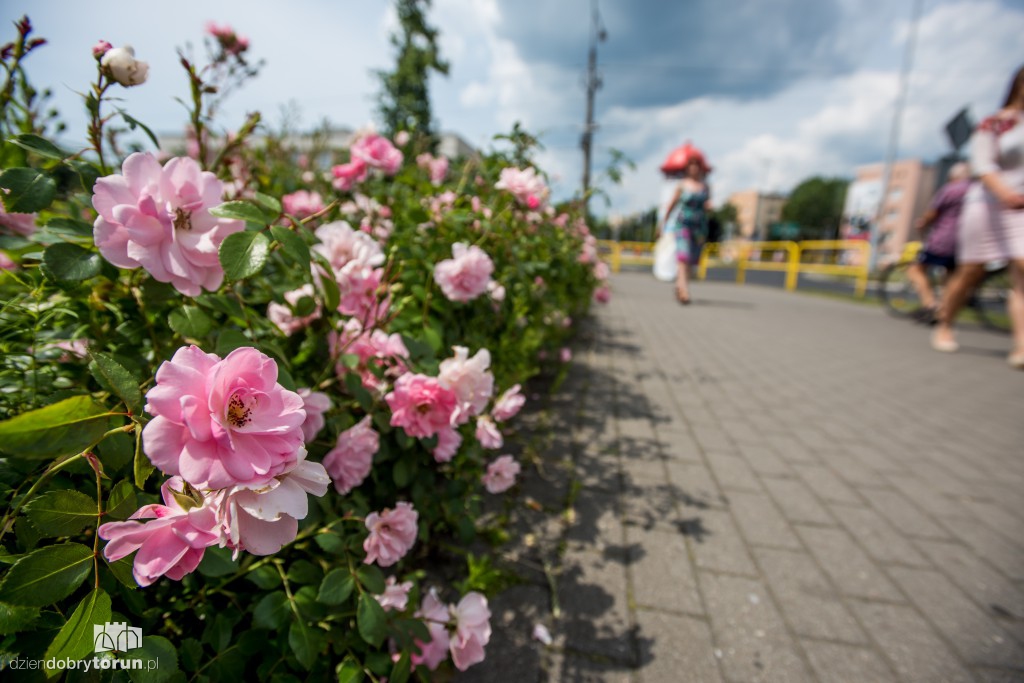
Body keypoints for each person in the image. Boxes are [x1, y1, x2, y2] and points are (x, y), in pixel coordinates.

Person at [931, 64, 1024, 369]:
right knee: (972, 271)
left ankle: (1021, 347)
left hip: (1021, 208)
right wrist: (1005, 193)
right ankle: (945, 322)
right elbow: (983, 165)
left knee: (1022, 269)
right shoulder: (995, 124)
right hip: (988, 204)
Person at [905, 161, 972, 323]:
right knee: (950, 277)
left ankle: (930, 305)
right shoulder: (975, 190)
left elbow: (932, 213)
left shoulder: (949, 189)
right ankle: (944, 311)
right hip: (966, 241)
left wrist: (923, 222)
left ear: (953, 176)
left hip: (944, 240)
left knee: (915, 270)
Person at [655, 143, 713, 304]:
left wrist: (709, 207)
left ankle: (681, 285)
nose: (694, 168)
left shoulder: (705, 187)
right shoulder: (681, 186)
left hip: (699, 228)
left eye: (696, 165)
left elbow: (707, 205)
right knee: (683, 257)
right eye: (691, 165)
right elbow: (671, 206)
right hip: (683, 225)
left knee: (692, 261)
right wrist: (662, 225)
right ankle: (683, 290)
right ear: (687, 168)